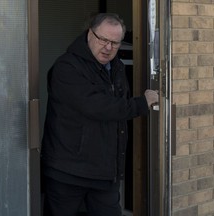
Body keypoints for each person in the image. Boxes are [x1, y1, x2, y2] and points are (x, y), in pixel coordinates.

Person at [41, 13, 159, 216]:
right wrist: (142, 103)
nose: (108, 47)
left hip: (104, 174)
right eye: (103, 39)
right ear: (89, 34)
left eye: (115, 42)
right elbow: (99, 107)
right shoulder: (66, 67)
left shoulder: (117, 67)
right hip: (67, 173)